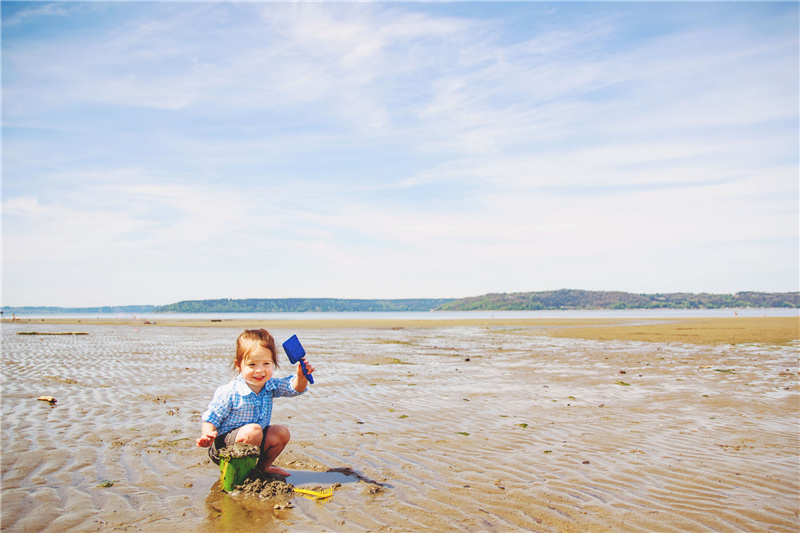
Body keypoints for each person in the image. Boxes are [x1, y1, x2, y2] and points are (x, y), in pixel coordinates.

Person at [196, 328, 314, 476]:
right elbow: (211, 418)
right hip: (224, 447)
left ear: (273, 363)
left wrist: (302, 377)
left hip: (255, 440)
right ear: (239, 365)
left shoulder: (270, 386)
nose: (259, 370)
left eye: (266, 363)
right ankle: (240, 474)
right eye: (252, 365)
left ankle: (262, 468)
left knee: (281, 433)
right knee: (254, 431)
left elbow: (293, 388)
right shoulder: (230, 392)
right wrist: (206, 435)